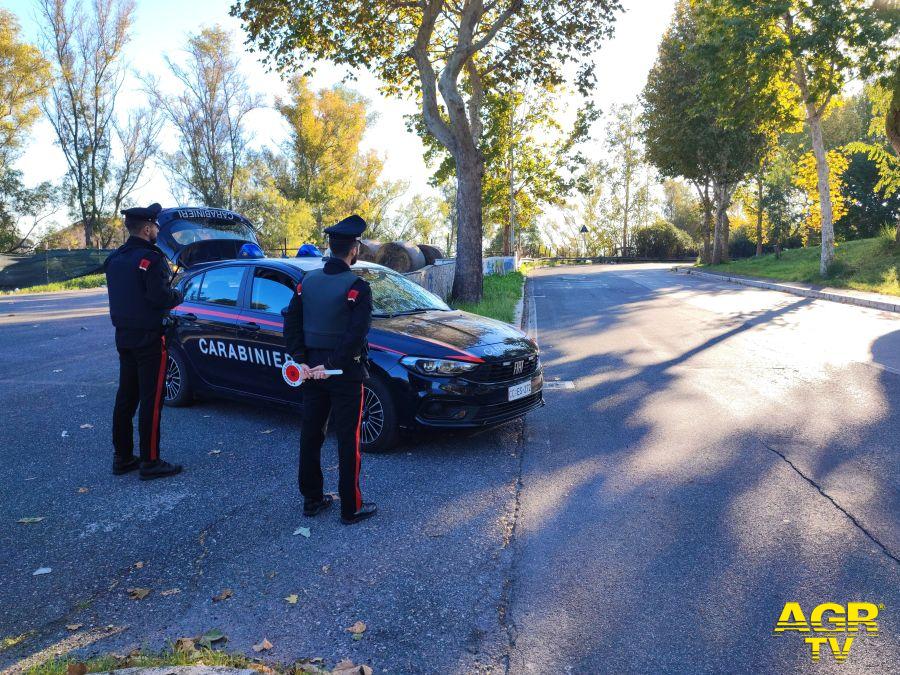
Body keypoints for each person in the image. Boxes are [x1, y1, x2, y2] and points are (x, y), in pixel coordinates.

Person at [284, 214, 377, 525]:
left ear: (329, 247)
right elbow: (356, 334)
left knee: (311, 435)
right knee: (348, 440)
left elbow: (291, 323)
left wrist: (301, 359)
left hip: (311, 372)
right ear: (354, 249)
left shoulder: (306, 282)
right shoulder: (357, 287)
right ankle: (350, 508)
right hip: (344, 374)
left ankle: (312, 500)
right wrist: (333, 364)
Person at [104, 203, 184, 480]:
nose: (158, 231)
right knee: (151, 400)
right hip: (150, 339)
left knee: (126, 398)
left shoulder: (115, 259)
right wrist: (178, 295)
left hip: (124, 336)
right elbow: (159, 297)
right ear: (148, 228)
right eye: (156, 227)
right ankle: (150, 461)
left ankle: (123, 457)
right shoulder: (151, 259)